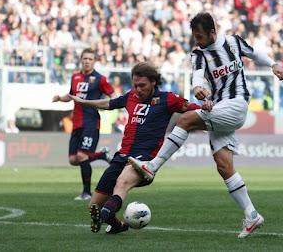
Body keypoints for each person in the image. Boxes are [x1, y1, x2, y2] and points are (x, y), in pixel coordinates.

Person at [129, 12, 283, 238]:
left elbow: (255, 53)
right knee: (223, 165)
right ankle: (252, 215)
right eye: (195, 37)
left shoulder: (233, 42)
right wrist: (198, 90)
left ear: (212, 32)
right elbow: (197, 78)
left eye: (200, 36)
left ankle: (152, 166)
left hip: (237, 103)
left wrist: (274, 64)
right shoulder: (199, 55)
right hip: (219, 107)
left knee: (185, 120)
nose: (197, 41)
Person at [68, 62, 202, 234]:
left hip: (144, 160)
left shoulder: (168, 99)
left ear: (154, 82)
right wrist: (84, 102)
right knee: (94, 204)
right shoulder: (130, 96)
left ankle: (105, 214)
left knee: (121, 184)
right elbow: (109, 103)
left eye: (142, 85)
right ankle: (117, 225)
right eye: (135, 85)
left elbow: (192, 108)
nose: (138, 89)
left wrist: (208, 108)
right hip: (121, 156)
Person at [52, 48, 115, 201]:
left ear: (94, 61)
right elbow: (71, 95)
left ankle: (86, 193)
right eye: (85, 58)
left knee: (82, 155)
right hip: (77, 123)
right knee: (73, 159)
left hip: (91, 122)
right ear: (81, 60)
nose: (87, 61)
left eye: (90, 59)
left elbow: (113, 95)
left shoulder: (100, 79)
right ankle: (102, 155)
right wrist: (60, 98)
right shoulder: (75, 77)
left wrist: (108, 104)